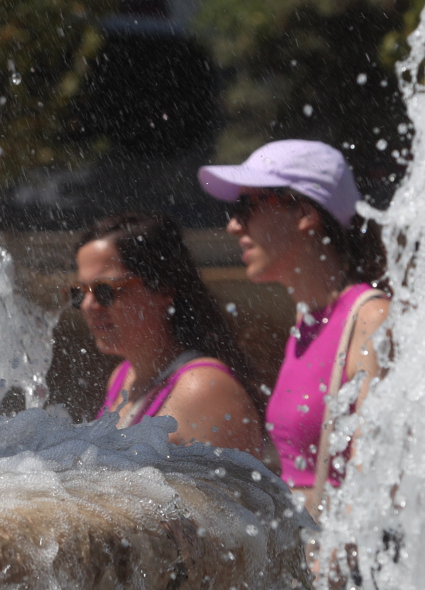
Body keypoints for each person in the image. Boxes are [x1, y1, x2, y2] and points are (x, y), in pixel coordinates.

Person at [198, 140, 390, 517]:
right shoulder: (306, 323)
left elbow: (380, 479)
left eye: (246, 207)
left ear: (304, 213)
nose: (233, 226)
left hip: (346, 564)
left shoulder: (370, 318)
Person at [74, 213, 264, 458]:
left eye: (105, 291)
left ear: (163, 289)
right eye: (79, 293)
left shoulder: (203, 388)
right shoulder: (123, 377)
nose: (88, 305)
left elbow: (232, 496)